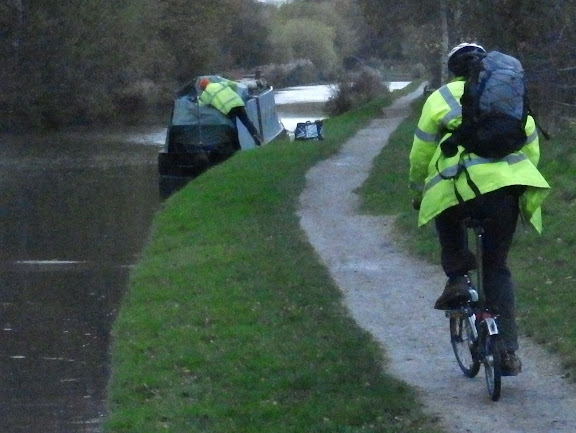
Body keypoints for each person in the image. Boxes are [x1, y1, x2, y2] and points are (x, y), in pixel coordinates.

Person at [408, 42, 550, 376]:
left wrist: (417, 190)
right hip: (504, 193)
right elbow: (531, 148)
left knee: (443, 205)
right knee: (497, 266)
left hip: (459, 187)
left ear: (453, 70)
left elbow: (421, 153)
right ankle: (509, 353)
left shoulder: (440, 98)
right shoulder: (506, 97)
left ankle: (457, 277)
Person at [198, 77, 263, 146]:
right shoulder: (220, 84)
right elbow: (233, 84)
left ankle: (237, 146)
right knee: (246, 121)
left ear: (203, 88)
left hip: (227, 109)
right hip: (238, 103)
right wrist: (232, 92)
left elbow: (200, 104)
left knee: (233, 127)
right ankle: (256, 135)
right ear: (209, 82)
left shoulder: (206, 93)